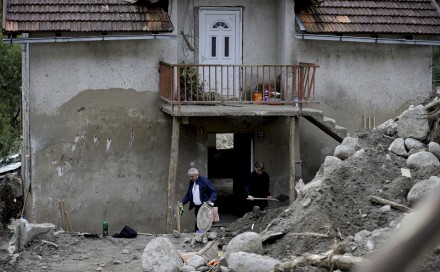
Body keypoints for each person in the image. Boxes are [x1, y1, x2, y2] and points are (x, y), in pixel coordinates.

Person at [179, 167, 217, 232]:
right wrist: (182, 202)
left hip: (205, 206)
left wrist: (210, 201)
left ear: (197, 175)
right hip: (197, 207)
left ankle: (202, 237)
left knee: (203, 224)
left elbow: (213, 192)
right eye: (190, 176)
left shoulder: (204, 181)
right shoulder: (191, 182)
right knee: (199, 222)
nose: (191, 178)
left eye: (192, 176)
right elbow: (189, 194)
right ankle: (199, 236)